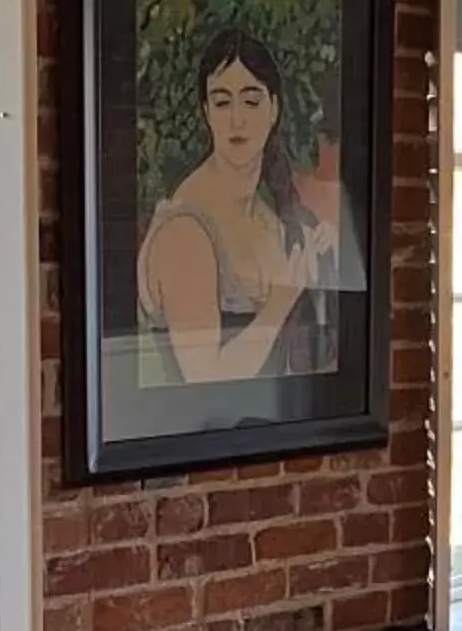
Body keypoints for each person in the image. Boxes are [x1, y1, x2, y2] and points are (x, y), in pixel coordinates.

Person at [136, 25, 339, 384]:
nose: (237, 119)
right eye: (222, 101)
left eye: (251, 100)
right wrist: (279, 304)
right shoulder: (186, 231)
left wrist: (323, 257)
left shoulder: (270, 217)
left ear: (273, 108)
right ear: (206, 111)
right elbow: (203, 375)